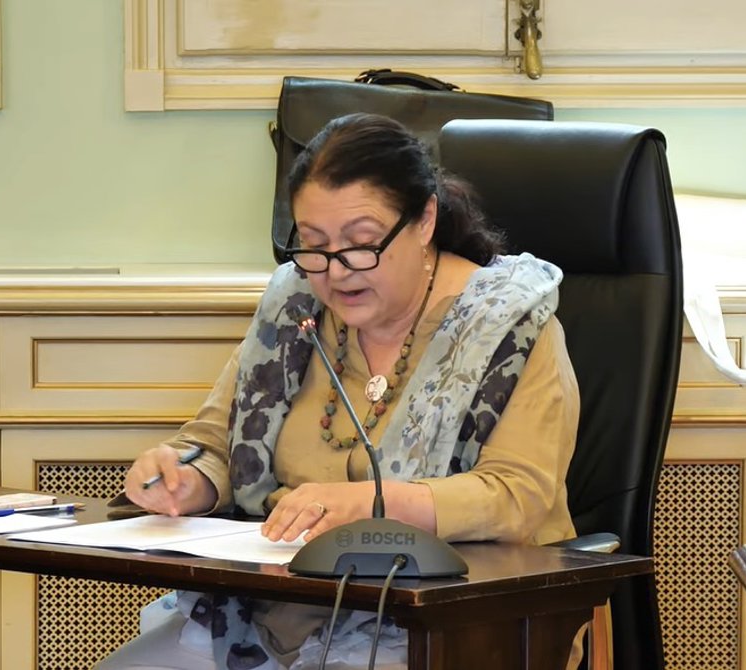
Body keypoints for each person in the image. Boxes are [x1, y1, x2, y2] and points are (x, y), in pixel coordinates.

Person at [96, 112, 581, 670]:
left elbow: (516, 497)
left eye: (361, 244)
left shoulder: (509, 327)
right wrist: (185, 479)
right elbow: (217, 444)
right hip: (274, 607)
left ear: (424, 220)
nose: (336, 271)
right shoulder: (295, 308)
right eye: (314, 244)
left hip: (447, 622)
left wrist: (373, 505)